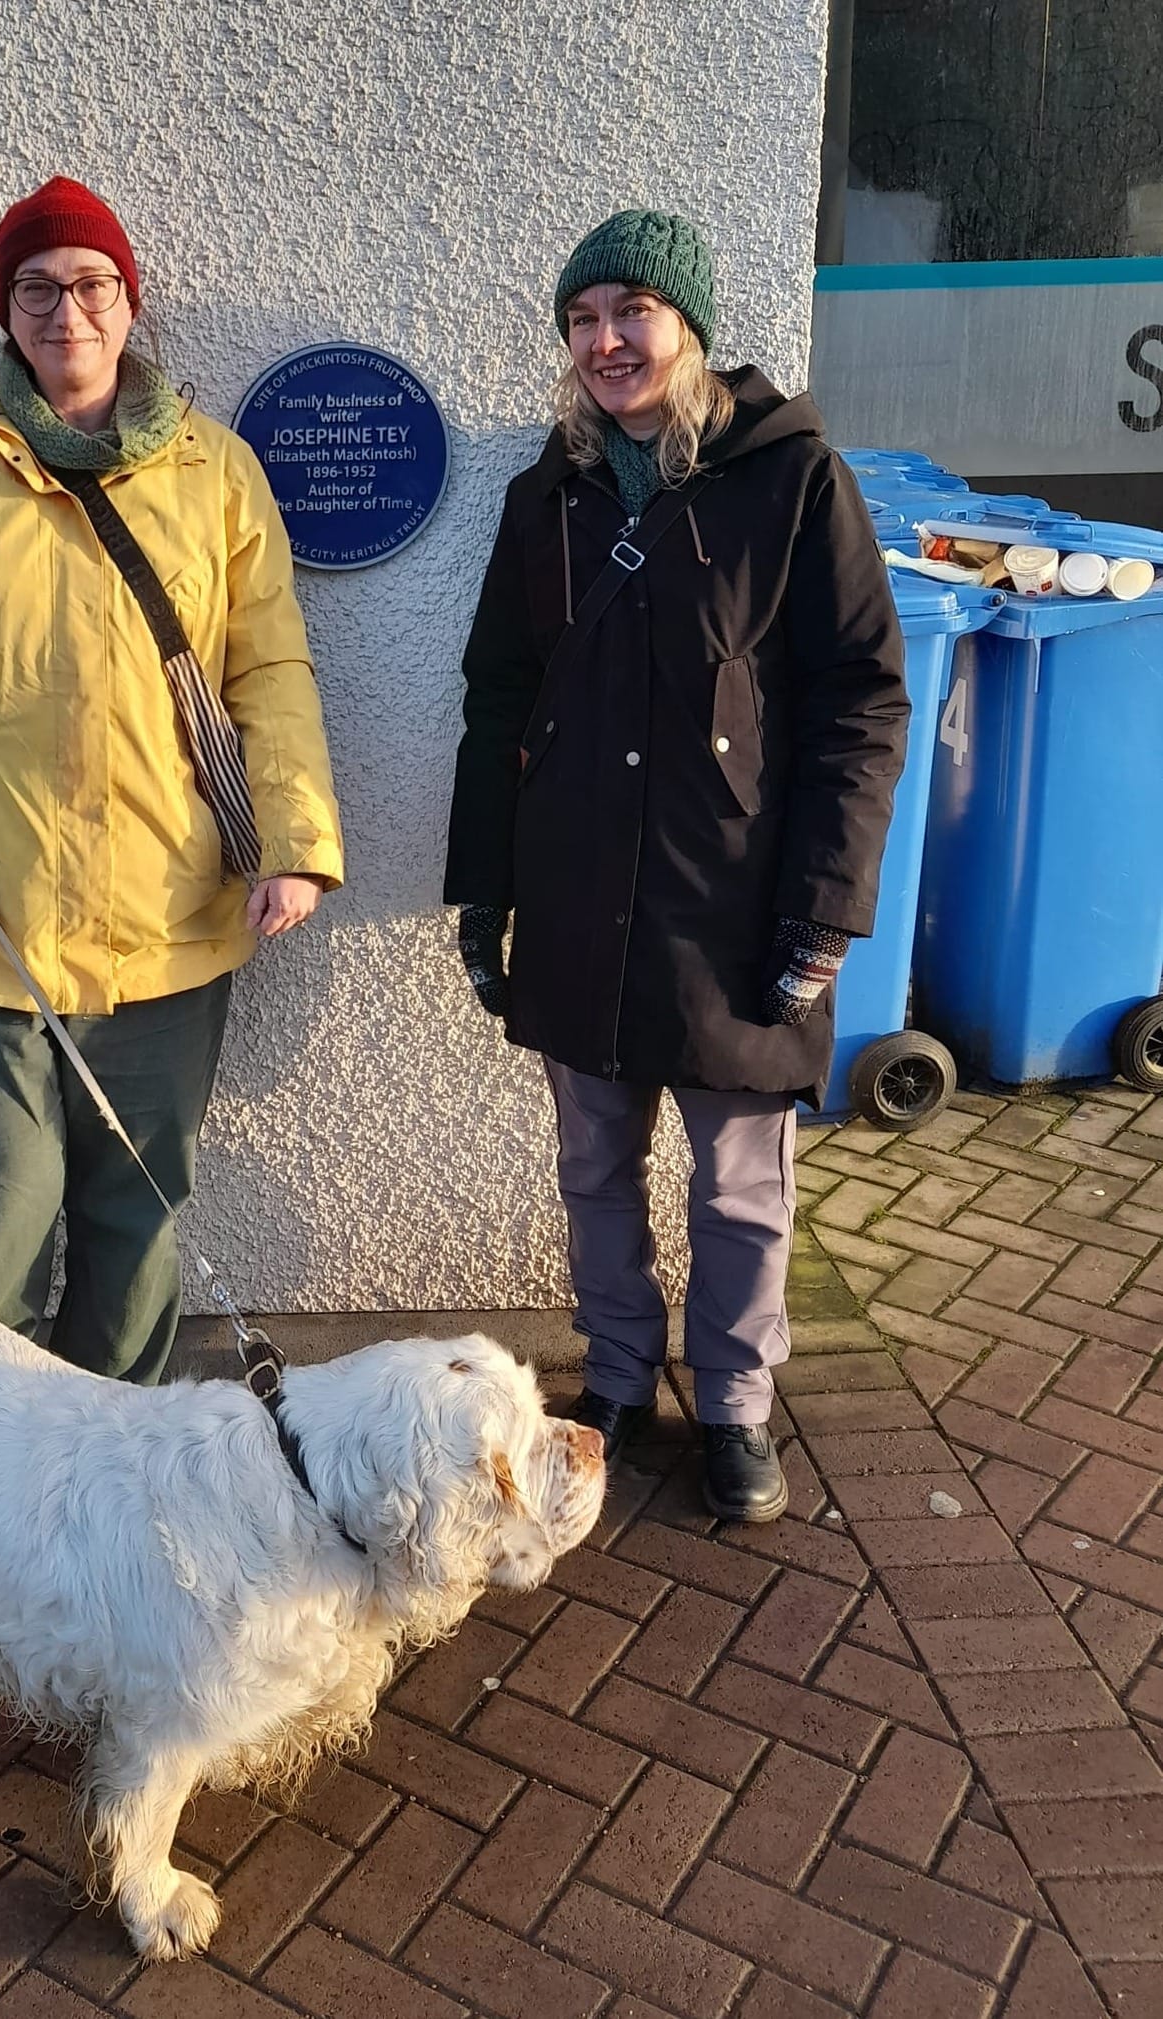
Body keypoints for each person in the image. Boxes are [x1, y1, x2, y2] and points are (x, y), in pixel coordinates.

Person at [0, 177, 344, 1384]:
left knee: (134, 1239)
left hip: (166, 926)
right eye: (37, 287)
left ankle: (105, 1494)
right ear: (6, 312)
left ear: (129, 302)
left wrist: (294, 842)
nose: (66, 310)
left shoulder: (215, 470)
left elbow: (266, 662)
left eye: (90, 283)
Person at [445, 210, 908, 1522]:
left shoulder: (789, 478)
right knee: (592, 1165)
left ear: (687, 327)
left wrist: (825, 907)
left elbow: (860, 702)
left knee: (738, 1181)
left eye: (628, 313)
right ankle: (615, 1374)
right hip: (581, 896)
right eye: (582, 320)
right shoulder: (547, 498)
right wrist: (486, 885)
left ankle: (734, 1402)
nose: (604, 341)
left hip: (737, 905)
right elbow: (497, 697)